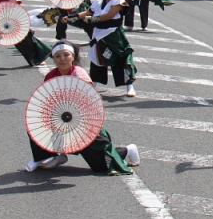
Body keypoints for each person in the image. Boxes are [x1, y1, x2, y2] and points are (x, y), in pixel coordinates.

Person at [24, 41, 140, 174]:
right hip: (62, 119)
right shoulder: (51, 76)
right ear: (54, 59)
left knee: (100, 167)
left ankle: (128, 150)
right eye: (57, 56)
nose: (62, 59)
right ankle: (48, 156)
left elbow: (91, 102)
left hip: (83, 123)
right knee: (35, 125)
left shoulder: (79, 75)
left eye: (66, 55)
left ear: (73, 57)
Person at [76, 0, 137, 97]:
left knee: (120, 58)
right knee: (98, 58)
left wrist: (92, 19)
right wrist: (73, 17)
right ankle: (94, 83)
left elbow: (110, 15)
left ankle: (130, 85)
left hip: (114, 34)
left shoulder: (120, 1)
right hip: (99, 34)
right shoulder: (98, 1)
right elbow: (88, 13)